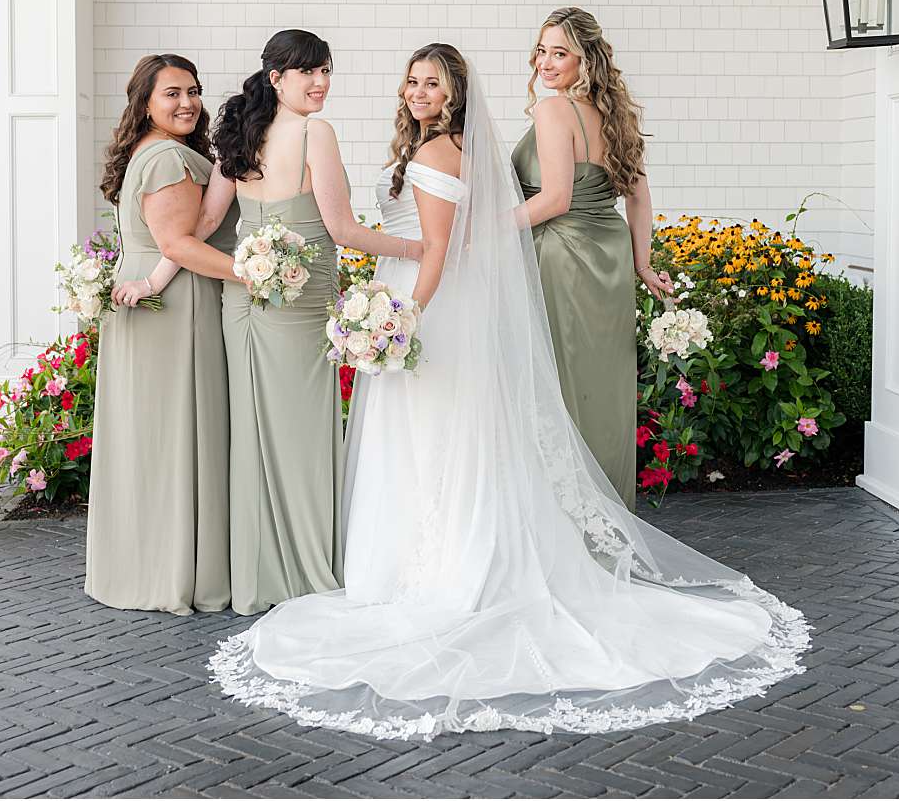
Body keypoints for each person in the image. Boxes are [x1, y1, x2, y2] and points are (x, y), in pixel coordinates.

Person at [209, 50, 810, 739]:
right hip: (416, 297)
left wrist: (403, 316)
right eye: (412, 80)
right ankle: (420, 564)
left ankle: (443, 571)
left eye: (432, 81)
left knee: (436, 436)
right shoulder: (438, 144)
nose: (418, 90)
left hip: (427, 303)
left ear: (457, 92)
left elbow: (434, 248)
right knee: (427, 436)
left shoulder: (441, 147)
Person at [212, 29, 422, 616]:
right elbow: (343, 230)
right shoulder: (314, 132)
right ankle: (305, 571)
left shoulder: (239, 135)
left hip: (245, 301)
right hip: (298, 304)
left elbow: (206, 222)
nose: (321, 83)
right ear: (275, 77)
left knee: (254, 432)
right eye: (308, 72)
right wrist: (418, 248)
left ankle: (257, 576)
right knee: (302, 437)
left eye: (326, 71)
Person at [84, 54, 237, 615]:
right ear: (144, 101)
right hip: (173, 308)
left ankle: (140, 565)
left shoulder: (148, 154)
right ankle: (172, 570)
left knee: (148, 441)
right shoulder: (171, 159)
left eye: (193, 91)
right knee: (173, 436)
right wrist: (256, 274)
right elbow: (181, 245)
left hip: (147, 303)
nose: (187, 103)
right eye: (172, 93)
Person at [513, 6, 675, 506]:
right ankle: (609, 512)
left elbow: (554, 199)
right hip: (608, 259)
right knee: (601, 390)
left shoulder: (553, 109)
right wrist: (642, 265)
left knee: (558, 385)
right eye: (542, 50)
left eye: (559, 52)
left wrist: (479, 233)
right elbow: (639, 198)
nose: (546, 62)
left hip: (561, 255)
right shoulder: (618, 115)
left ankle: (564, 523)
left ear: (586, 58)